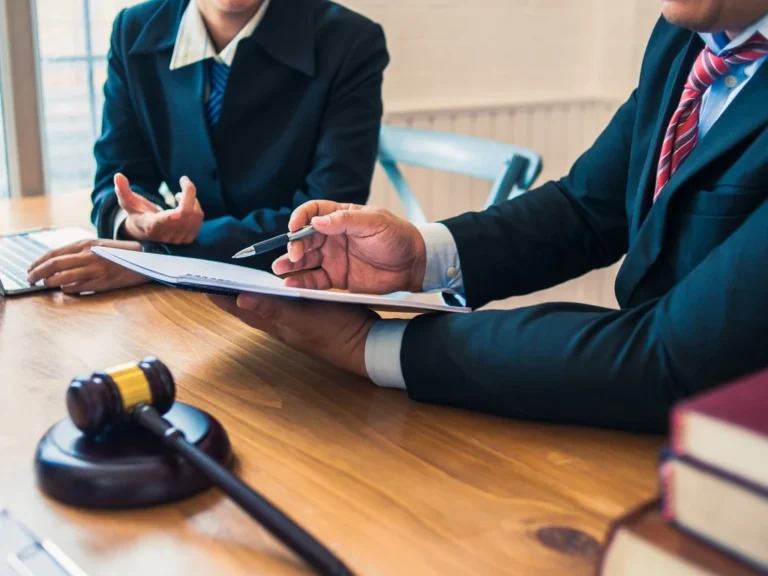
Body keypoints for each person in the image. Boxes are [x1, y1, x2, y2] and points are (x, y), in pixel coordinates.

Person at [212, 0, 768, 433]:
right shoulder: (684, 36)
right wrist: (421, 256)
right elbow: (586, 208)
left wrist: (370, 348)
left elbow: (669, 357)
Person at [27, 0, 388, 294]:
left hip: (293, 293)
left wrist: (158, 257)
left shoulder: (351, 41)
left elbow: (327, 218)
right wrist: (140, 223)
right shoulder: (132, 29)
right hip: (169, 301)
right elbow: (117, 176)